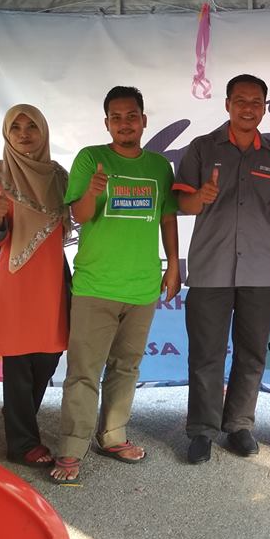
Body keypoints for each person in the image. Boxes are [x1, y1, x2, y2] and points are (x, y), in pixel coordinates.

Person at [50, 86, 180, 483]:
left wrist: (174, 265)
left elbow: (167, 217)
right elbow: (79, 215)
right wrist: (92, 192)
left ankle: (112, 436)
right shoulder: (91, 158)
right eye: (116, 117)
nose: (125, 123)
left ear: (144, 120)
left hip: (142, 287)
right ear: (107, 123)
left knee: (126, 367)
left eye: (131, 116)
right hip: (96, 286)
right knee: (83, 371)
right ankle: (72, 447)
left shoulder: (159, 166)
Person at [175, 74, 270, 464]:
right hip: (211, 266)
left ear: (265, 107)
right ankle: (202, 430)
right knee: (206, 353)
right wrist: (200, 196)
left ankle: (239, 425)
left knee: (252, 352)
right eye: (241, 100)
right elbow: (183, 205)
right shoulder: (202, 148)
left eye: (256, 102)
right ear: (227, 104)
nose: (248, 108)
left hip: (260, 268)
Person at [0, 104, 70, 468]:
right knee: (18, 360)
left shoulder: (59, 177)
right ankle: (21, 443)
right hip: (14, 277)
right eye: (15, 127)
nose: (24, 133)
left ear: (43, 131)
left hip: (52, 275)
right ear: (7, 133)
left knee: (49, 353)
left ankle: (18, 417)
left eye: (31, 126)